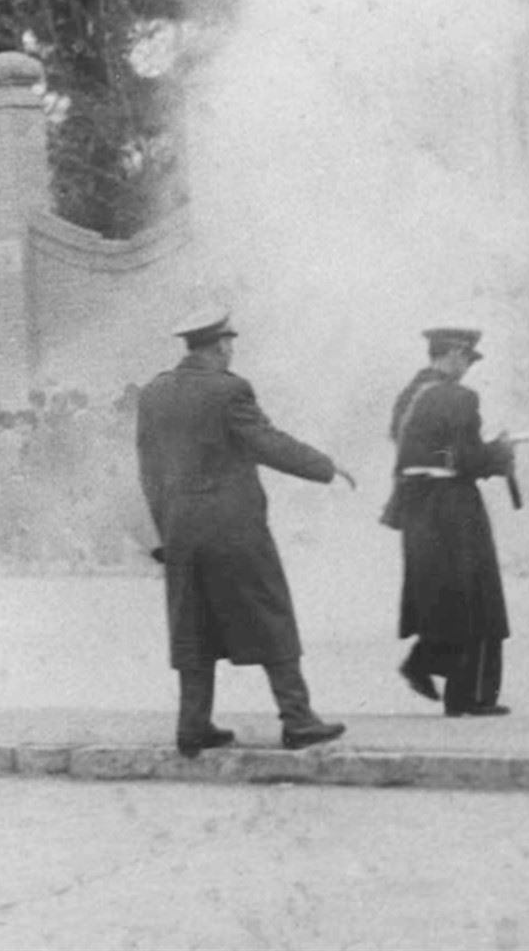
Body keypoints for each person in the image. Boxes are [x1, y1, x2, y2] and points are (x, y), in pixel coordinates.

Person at [135, 306, 353, 757]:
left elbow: (149, 472)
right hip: (233, 528)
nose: (231, 351)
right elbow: (268, 443)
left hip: (182, 527)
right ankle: (297, 719)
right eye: (229, 344)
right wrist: (326, 467)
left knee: (192, 627)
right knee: (270, 613)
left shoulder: (153, 393)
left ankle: (193, 726)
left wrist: (164, 533)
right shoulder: (230, 391)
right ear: (221, 345)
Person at [386, 326, 518, 718]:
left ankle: (432, 667)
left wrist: (459, 453)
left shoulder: (413, 393)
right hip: (453, 506)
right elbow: (466, 458)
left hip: (418, 505)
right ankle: (469, 693)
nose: (467, 369)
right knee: (478, 598)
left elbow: (430, 447)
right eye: (466, 360)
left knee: (445, 596)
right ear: (455, 355)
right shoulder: (459, 397)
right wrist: (499, 453)